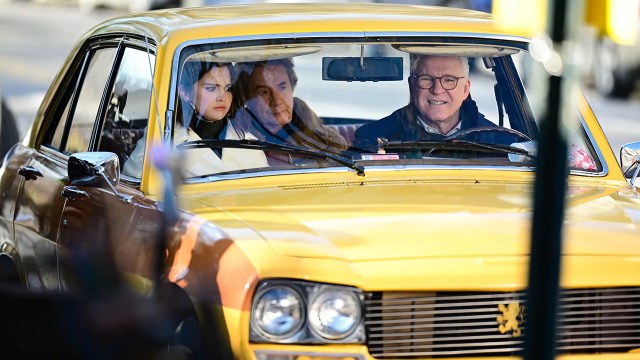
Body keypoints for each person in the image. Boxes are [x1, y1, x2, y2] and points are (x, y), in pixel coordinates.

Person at [123, 61, 268, 177]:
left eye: (228, 88)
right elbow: (136, 189)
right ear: (185, 92)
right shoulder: (163, 139)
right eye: (211, 88)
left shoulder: (250, 143)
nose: (223, 97)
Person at [352, 54, 497, 152]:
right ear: (411, 85)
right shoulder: (371, 139)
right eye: (426, 79)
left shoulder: (500, 143)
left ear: (465, 89)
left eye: (449, 80)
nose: (437, 90)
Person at [233, 58, 348, 165]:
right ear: (245, 97)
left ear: (292, 87)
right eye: (264, 92)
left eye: (282, 87)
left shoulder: (331, 141)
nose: (277, 101)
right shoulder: (233, 143)